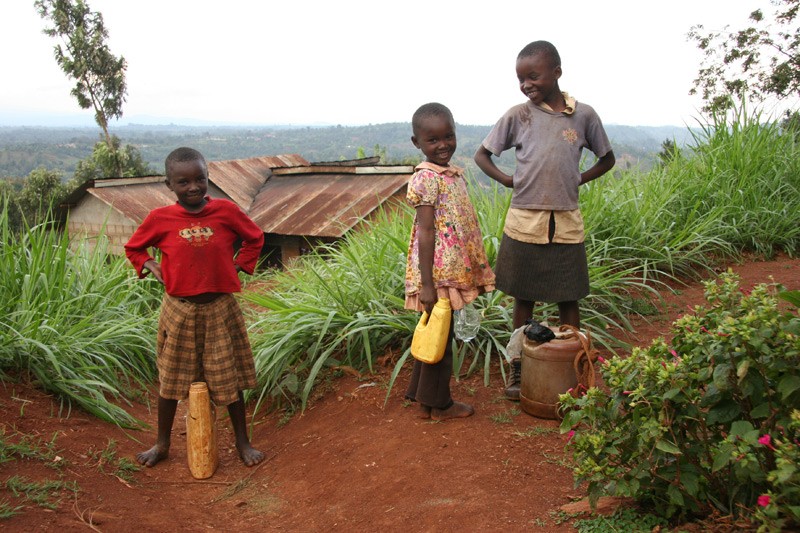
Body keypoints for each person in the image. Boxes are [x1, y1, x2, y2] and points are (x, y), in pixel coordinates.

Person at [474, 40, 615, 400]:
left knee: (569, 297)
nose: (526, 85)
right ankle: (519, 370)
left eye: (533, 76)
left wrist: (579, 178)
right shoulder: (517, 115)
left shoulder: (583, 116)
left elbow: (607, 158)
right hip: (525, 221)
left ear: (556, 72)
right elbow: (482, 155)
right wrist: (508, 180)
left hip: (566, 222)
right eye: (521, 79)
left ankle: (574, 370)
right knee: (524, 297)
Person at [125, 147, 265, 467]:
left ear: (207, 178)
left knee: (227, 378)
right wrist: (149, 264)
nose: (193, 187)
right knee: (171, 380)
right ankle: (162, 444)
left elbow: (255, 237)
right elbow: (134, 247)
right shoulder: (160, 219)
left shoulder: (226, 212)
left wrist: (239, 266)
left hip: (219, 308)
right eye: (183, 181)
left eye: (199, 179)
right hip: (179, 309)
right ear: (169, 184)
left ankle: (243, 443)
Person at [404, 103, 496, 420]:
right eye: (433, 140)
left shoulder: (449, 174)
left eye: (448, 136)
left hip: (449, 269)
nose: (443, 145)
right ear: (417, 143)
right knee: (440, 335)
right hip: (438, 274)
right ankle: (439, 405)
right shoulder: (426, 178)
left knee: (437, 332)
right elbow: (426, 231)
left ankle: (425, 398)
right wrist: (427, 285)